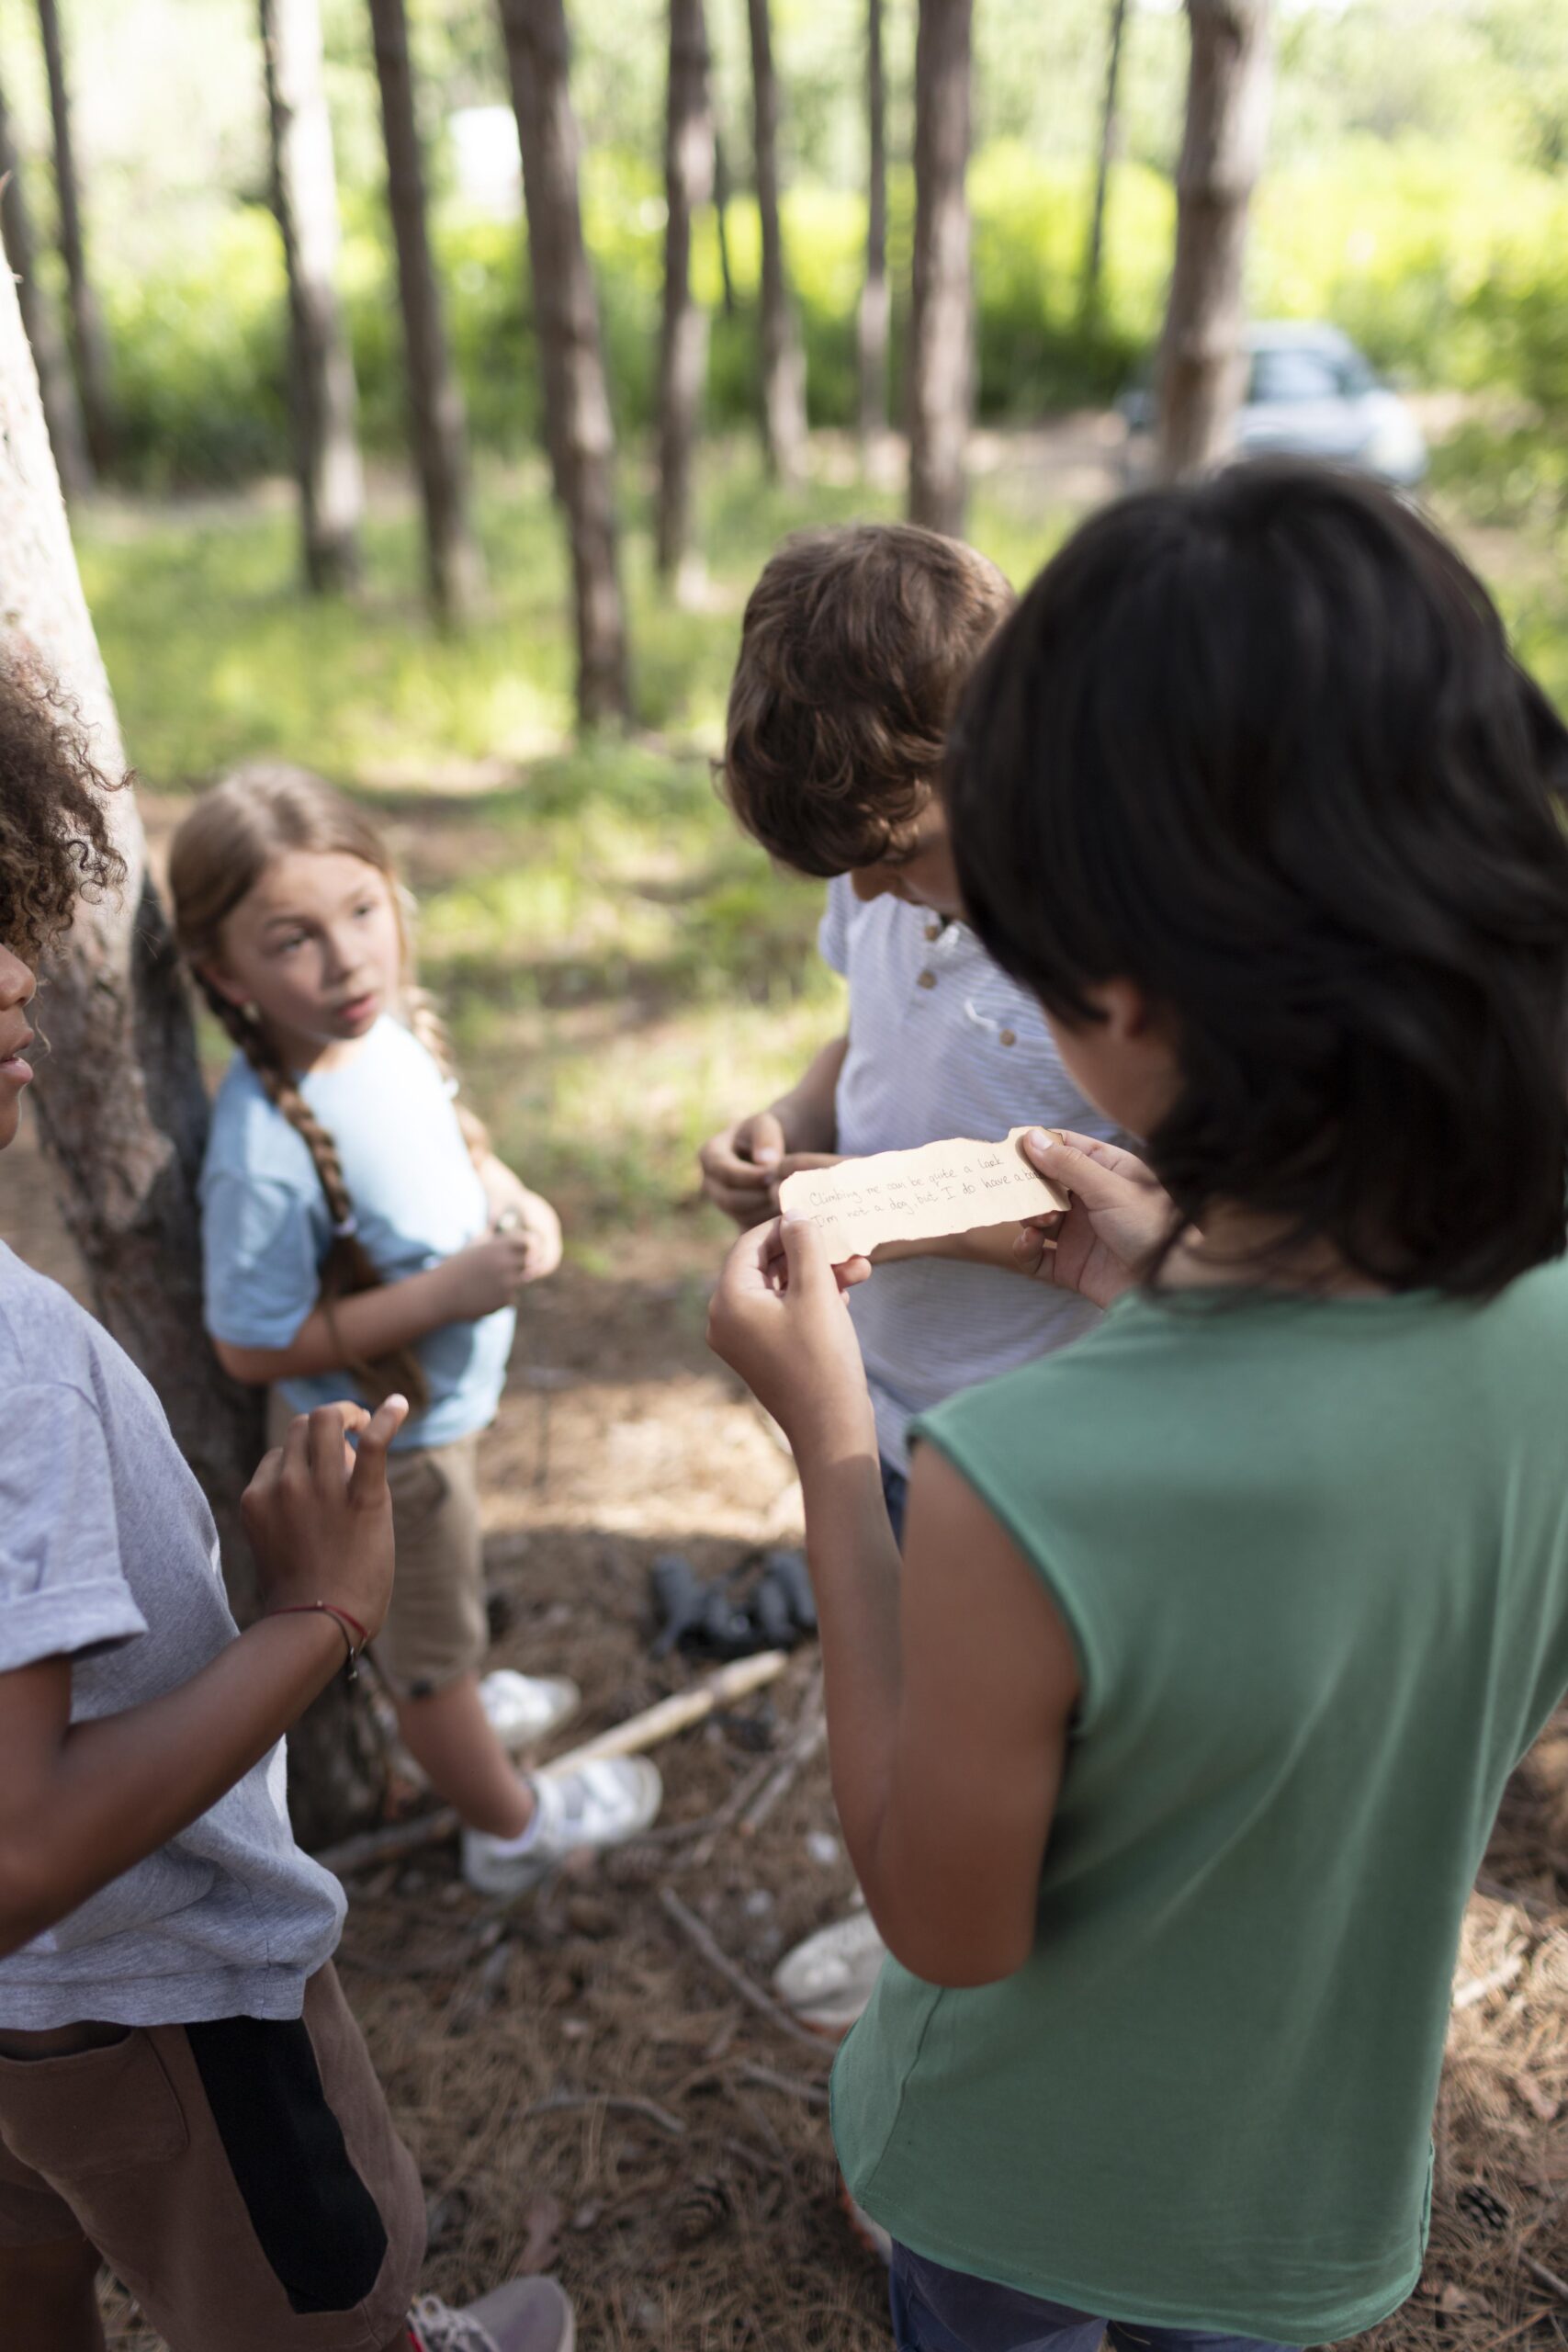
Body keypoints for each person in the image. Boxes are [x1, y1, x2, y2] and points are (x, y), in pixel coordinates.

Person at [707, 461, 1568, 2350]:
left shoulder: (1032, 1475)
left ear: (1107, 980)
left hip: (1012, 2187)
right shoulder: (1540, 1330)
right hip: (1297, 2207)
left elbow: (945, 1923)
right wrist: (1167, 1275)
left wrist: (830, 1443)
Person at [0, 672, 571, 2351]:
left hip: (34, 2032)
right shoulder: (11, 1370)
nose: (20, 969)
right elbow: (18, 1854)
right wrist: (316, 1612)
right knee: (316, 2289)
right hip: (162, 1993)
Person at [699, 525, 1120, 2032]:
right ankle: (919, 1932)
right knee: (918, 1699)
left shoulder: (1099, 945)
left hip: (1040, 1439)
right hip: (890, 1400)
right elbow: (862, 1036)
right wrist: (795, 1125)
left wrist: (881, 1202)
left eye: (892, 856)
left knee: (1033, 1735)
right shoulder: (888, 884)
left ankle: (1014, 1989)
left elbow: (1122, 1215)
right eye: (848, 873)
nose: (870, 897)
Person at [167, 770, 660, 1897]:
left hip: (439, 1422)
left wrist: (514, 1196)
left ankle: (472, 1700)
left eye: (361, 912)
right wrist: (442, 1296)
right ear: (223, 973)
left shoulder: (387, 1038)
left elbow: (462, 1146)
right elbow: (250, 1344)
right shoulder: (261, 1148)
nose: (344, 960)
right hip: (378, 1456)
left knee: (453, 1593)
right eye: (293, 939)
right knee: (428, 1662)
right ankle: (508, 1822)